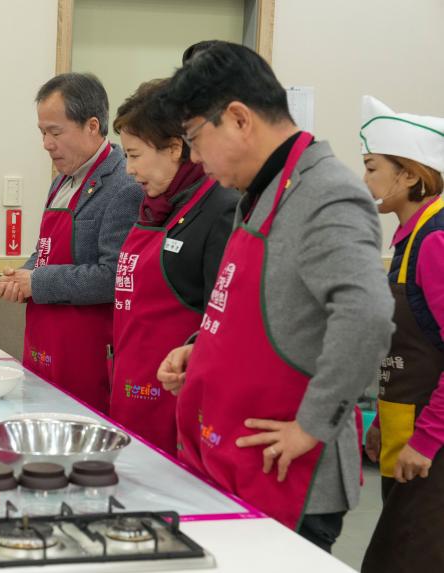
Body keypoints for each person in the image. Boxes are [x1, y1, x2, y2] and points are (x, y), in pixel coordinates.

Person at [156, 42, 394, 551]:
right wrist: (203, 347)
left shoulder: (327, 192)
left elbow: (367, 315)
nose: (194, 157)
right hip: (234, 458)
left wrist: (312, 425)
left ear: (239, 119)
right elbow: (264, 303)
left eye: (197, 138)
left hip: (287, 473)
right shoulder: (260, 189)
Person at [0, 73, 141, 413]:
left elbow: (113, 276)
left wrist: (38, 281)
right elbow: (45, 250)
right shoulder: (61, 181)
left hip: (84, 354)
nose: (46, 143)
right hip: (43, 340)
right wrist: (22, 275)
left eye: (55, 132)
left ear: (92, 125)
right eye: (42, 133)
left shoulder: (123, 184)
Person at [109, 79, 238, 453]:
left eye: (134, 155)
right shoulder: (156, 204)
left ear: (174, 148)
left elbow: (225, 319)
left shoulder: (219, 207)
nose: (129, 169)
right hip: (130, 395)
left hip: (176, 406)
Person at [359, 95, 444, 573]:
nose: (365, 180)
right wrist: (380, 423)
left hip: (433, 447)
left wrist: (426, 440)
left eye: (373, 167)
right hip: (405, 435)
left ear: (410, 174)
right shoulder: (411, 237)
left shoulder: (436, 240)